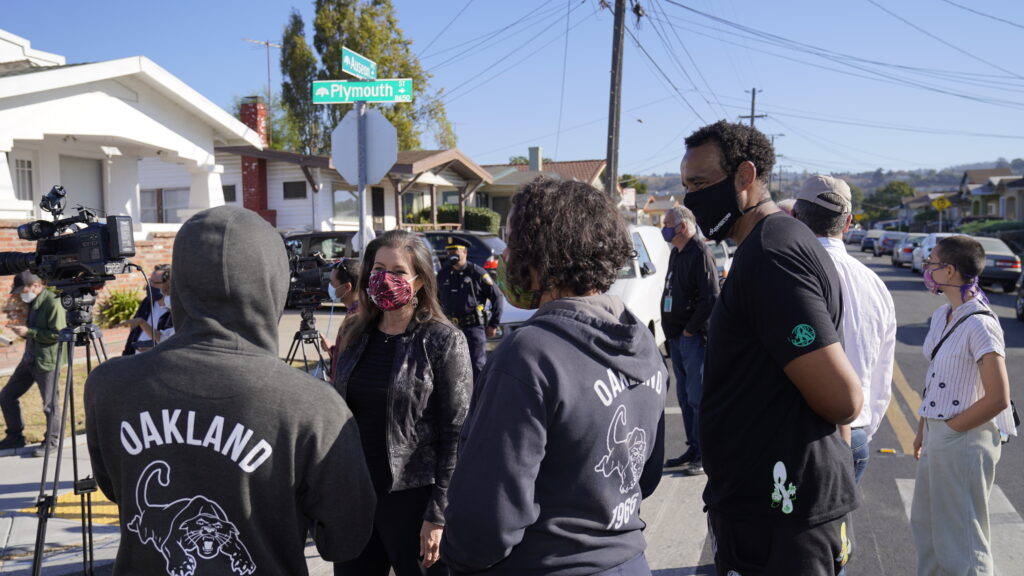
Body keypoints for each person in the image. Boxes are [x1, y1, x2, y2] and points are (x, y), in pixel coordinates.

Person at [85, 205, 376, 575]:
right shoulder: (313, 405)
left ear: (183, 280)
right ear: (272, 282)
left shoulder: (108, 385)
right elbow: (345, 538)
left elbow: (115, 488)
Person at [442, 177, 667, 576]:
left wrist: (456, 560)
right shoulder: (641, 340)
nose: (506, 255)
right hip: (628, 560)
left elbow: (486, 519)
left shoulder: (528, 354)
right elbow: (644, 476)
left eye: (512, 241)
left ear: (540, 256)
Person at [681, 121, 863, 575]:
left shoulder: (772, 254)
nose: (690, 199)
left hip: (782, 522)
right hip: (773, 511)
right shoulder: (770, 245)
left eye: (700, 184)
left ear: (745, 177)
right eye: (686, 186)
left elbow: (843, 399)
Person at [332, 230, 472, 576]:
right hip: (356, 497)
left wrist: (438, 513)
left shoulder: (443, 340)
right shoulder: (354, 333)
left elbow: (457, 433)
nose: (384, 278)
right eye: (378, 268)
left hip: (413, 501)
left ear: (420, 281)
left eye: (397, 271)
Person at [911, 235, 1016, 575]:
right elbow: (937, 375)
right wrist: (924, 429)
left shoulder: (981, 324)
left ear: (950, 271)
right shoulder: (944, 314)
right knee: (927, 529)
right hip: (938, 431)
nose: (927, 268)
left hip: (965, 437)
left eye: (932, 263)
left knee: (963, 542)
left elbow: (998, 397)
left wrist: (952, 430)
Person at [792, 175, 896, 484]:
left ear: (796, 217)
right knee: (839, 531)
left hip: (800, 437)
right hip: (858, 432)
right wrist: (862, 429)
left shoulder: (788, 271)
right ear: (848, 222)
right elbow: (882, 377)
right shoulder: (876, 286)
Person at [660, 205, 719, 476]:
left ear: (682, 226)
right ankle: (693, 448)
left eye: (668, 223)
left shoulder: (700, 252)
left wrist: (689, 330)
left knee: (697, 399)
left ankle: (705, 454)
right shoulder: (677, 253)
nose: (665, 228)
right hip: (675, 337)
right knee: (683, 398)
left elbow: (711, 298)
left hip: (692, 338)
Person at [0, 271, 66, 457]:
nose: (22, 294)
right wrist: (25, 331)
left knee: (49, 404)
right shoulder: (35, 301)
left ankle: (52, 441)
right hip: (30, 358)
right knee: (6, 396)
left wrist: (29, 332)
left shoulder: (52, 302)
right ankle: (15, 437)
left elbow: (58, 334)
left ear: (37, 286)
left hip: (47, 360)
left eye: (24, 290)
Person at [436, 236, 502, 379]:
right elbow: (435, 299)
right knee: (450, 368)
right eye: (449, 252)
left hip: (473, 329)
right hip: (449, 329)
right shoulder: (443, 275)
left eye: (456, 251)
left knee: (477, 367)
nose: (452, 254)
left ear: (465, 252)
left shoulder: (477, 273)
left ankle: (479, 400)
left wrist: (493, 324)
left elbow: (496, 297)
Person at [118, 265, 174, 350]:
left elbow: (169, 341)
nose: (150, 285)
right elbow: (134, 332)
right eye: (150, 281)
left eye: (154, 283)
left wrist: (153, 350)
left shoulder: (175, 310)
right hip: (137, 356)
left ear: (168, 284)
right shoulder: (147, 302)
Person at [322, 257, 361, 376]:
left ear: (347, 287)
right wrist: (332, 349)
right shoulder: (355, 311)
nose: (330, 286)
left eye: (332, 283)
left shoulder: (356, 318)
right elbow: (347, 354)